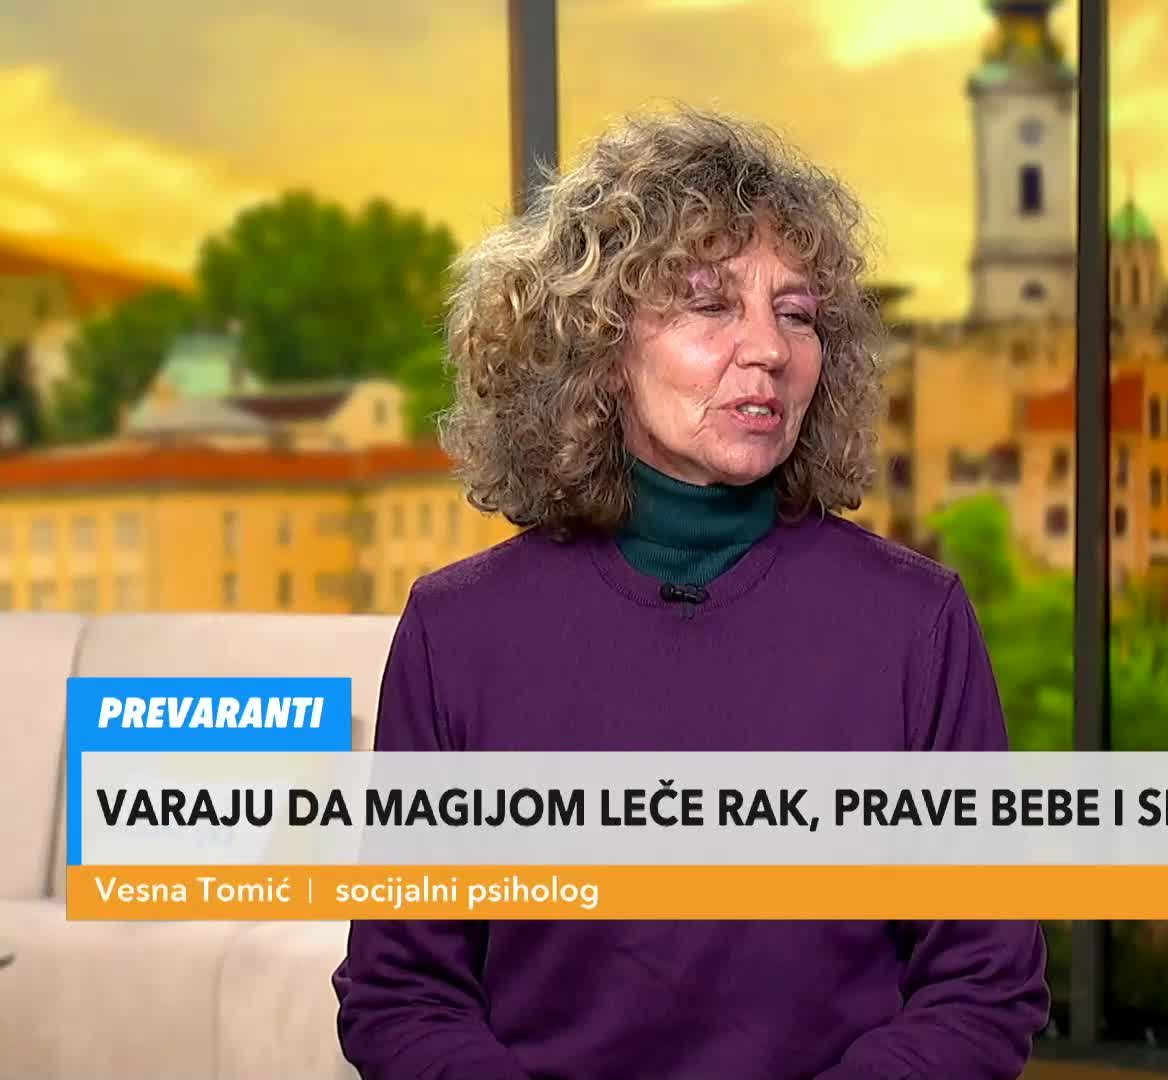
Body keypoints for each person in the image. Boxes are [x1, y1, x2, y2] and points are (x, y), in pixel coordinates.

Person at [331, 109, 1049, 1080]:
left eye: (796, 313)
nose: (770, 350)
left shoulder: (917, 625)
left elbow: (984, 985)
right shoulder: (456, 634)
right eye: (711, 305)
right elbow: (402, 995)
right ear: (598, 346)